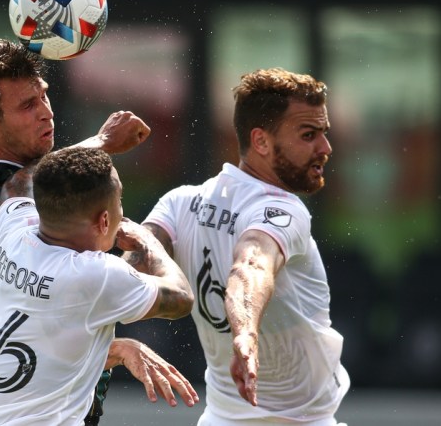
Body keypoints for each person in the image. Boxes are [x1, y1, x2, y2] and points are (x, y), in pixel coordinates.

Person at [0, 39, 196, 424]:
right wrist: (118, 348)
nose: (46, 113)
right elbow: (7, 337)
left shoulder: (23, 187)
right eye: (27, 106)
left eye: (43, 96)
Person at [142, 68, 350, 425]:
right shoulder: (283, 208)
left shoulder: (179, 203)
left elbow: (125, 273)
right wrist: (246, 334)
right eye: (308, 134)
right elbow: (252, 265)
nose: (325, 148)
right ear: (262, 141)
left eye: (324, 134)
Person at [0, 147, 196, 425]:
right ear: (104, 221)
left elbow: (18, 184)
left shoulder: (14, 231)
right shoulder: (95, 274)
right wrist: (147, 241)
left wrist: (99, 143)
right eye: (120, 203)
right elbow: (181, 298)